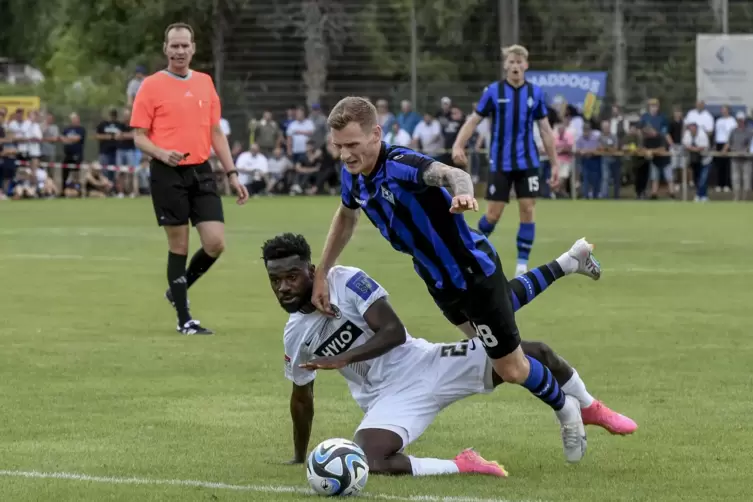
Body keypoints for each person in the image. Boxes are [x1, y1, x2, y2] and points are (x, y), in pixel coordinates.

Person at [315, 96, 590, 463]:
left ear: (376, 134)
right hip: (438, 282)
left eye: (352, 144)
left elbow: (450, 173)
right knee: (492, 335)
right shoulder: (354, 178)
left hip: (473, 273)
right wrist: (322, 272)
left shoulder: (400, 164)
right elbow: (346, 217)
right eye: (339, 146)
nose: (345, 155)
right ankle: (568, 262)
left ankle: (567, 410)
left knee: (507, 366)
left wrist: (462, 192)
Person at [265, 234, 636, 475]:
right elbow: (302, 397)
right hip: (387, 398)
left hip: (425, 363)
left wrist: (342, 358)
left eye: (292, 276)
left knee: (531, 353)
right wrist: (300, 455)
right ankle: (464, 465)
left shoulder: (344, 281)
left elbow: (392, 332)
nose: (283, 287)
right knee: (369, 458)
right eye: (276, 280)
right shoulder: (295, 335)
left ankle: (589, 406)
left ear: (311, 269)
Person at [130, 22, 249, 335]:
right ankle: (185, 319)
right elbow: (139, 137)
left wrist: (232, 173)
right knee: (179, 245)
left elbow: (215, 132)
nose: (180, 51)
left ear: (193, 48)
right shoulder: (151, 86)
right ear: (165, 49)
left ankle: (177, 290)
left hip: (201, 170)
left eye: (185, 45)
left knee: (215, 242)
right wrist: (160, 152)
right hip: (167, 172)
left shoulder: (205, 83)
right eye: (174, 46)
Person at [452, 45, 560, 278]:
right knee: (493, 214)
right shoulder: (494, 91)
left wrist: (555, 163)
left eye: (520, 62)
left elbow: (546, 130)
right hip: (500, 162)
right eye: (511, 62)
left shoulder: (536, 94)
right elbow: (473, 120)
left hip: (528, 162)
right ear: (505, 65)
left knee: (528, 209)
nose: (515, 66)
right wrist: (458, 144)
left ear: (526, 66)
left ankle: (522, 264)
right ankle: (467, 252)